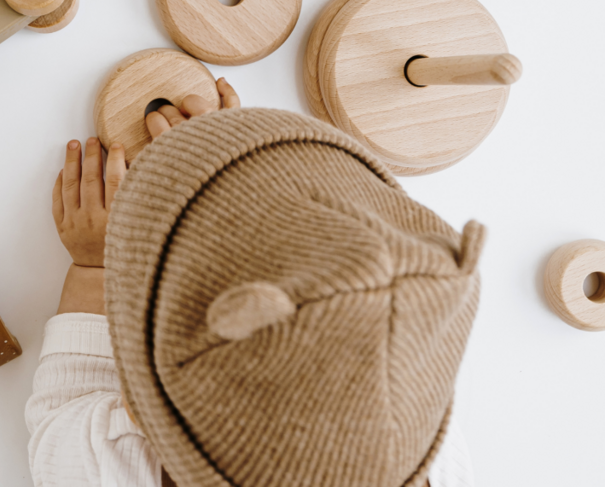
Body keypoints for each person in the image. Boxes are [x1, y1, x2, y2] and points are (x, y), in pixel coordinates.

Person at [26, 79, 478, 487]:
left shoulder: (112, 465)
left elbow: (61, 415)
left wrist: (97, 266)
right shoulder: (426, 456)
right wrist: (236, 167)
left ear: (145, 406)